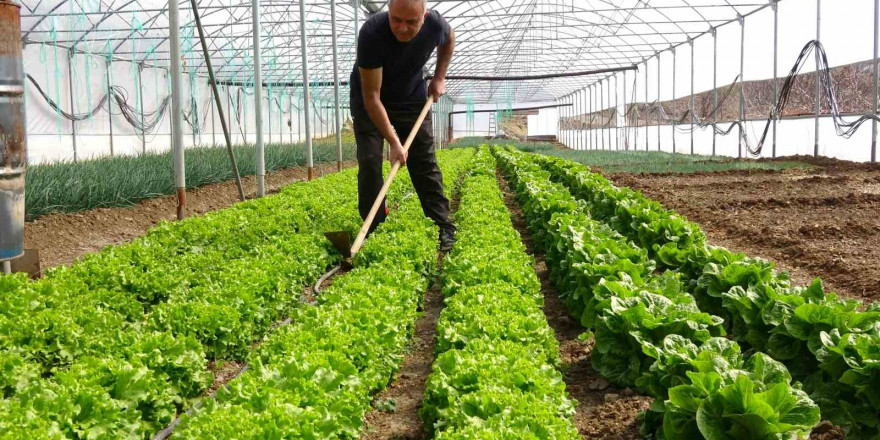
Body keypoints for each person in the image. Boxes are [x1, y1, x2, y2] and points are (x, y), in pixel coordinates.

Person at [349, 0, 456, 251]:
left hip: (410, 96)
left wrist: (439, 77)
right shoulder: (372, 33)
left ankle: (443, 226)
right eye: (396, 19)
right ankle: (374, 228)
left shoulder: (435, 25)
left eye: (411, 22)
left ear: (424, 16)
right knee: (370, 160)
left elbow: (449, 38)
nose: (402, 28)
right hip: (370, 97)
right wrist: (395, 143)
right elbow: (372, 98)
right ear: (389, 11)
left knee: (423, 160)